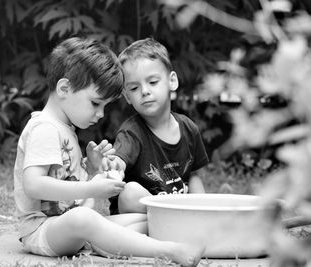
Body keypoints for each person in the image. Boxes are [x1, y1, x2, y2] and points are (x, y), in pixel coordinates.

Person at [13, 36, 204, 266]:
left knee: (140, 217)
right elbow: (33, 185)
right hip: (43, 230)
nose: (101, 114)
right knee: (84, 218)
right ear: (64, 88)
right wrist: (91, 187)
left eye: (104, 106)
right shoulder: (44, 127)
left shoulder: (65, 128)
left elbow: (69, 188)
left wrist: (92, 171)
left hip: (74, 227)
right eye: (96, 103)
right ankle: (169, 250)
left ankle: (151, 241)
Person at [109, 38, 209, 215]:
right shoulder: (131, 132)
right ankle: (170, 224)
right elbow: (119, 161)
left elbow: (194, 176)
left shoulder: (188, 128)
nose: (145, 91)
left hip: (178, 208)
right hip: (140, 213)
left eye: (153, 82)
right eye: (134, 88)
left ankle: (177, 224)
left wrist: (203, 210)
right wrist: (112, 164)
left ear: (172, 81)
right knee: (129, 192)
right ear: (127, 97)